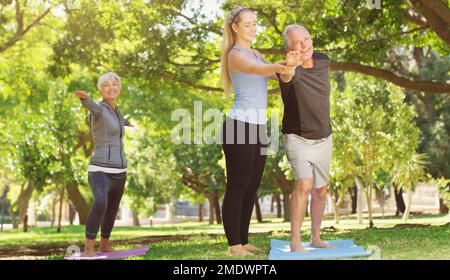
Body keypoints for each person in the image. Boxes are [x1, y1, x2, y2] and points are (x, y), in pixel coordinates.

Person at [220, 6, 297, 256]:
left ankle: (243, 240)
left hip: (257, 127)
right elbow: (257, 70)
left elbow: (279, 77)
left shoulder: (256, 53)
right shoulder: (235, 55)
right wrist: (279, 66)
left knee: (251, 186)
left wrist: (290, 66)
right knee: (237, 185)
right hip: (238, 126)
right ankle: (234, 246)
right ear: (235, 27)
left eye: (255, 23)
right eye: (248, 24)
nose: (253, 28)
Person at [278, 24, 335, 252]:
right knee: (304, 183)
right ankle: (295, 241)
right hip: (297, 137)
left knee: (321, 190)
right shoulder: (285, 68)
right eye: (297, 43)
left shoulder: (323, 61)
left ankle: (316, 238)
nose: (304, 45)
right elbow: (287, 77)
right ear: (289, 49)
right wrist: (291, 66)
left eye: (307, 39)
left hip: (324, 137)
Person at [74, 72, 132, 257]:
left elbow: (119, 122)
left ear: (119, 88)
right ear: (100, 89)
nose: (111, 87)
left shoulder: (117, 110)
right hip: (100, 169)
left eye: (114, 84)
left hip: (120, 170)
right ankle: (89, 248)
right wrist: (85, 99)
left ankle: (105, 245)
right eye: (105, 85)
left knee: (113, 209)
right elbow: (93, 109)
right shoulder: (98, 108)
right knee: (100, 202)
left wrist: (128, 123)